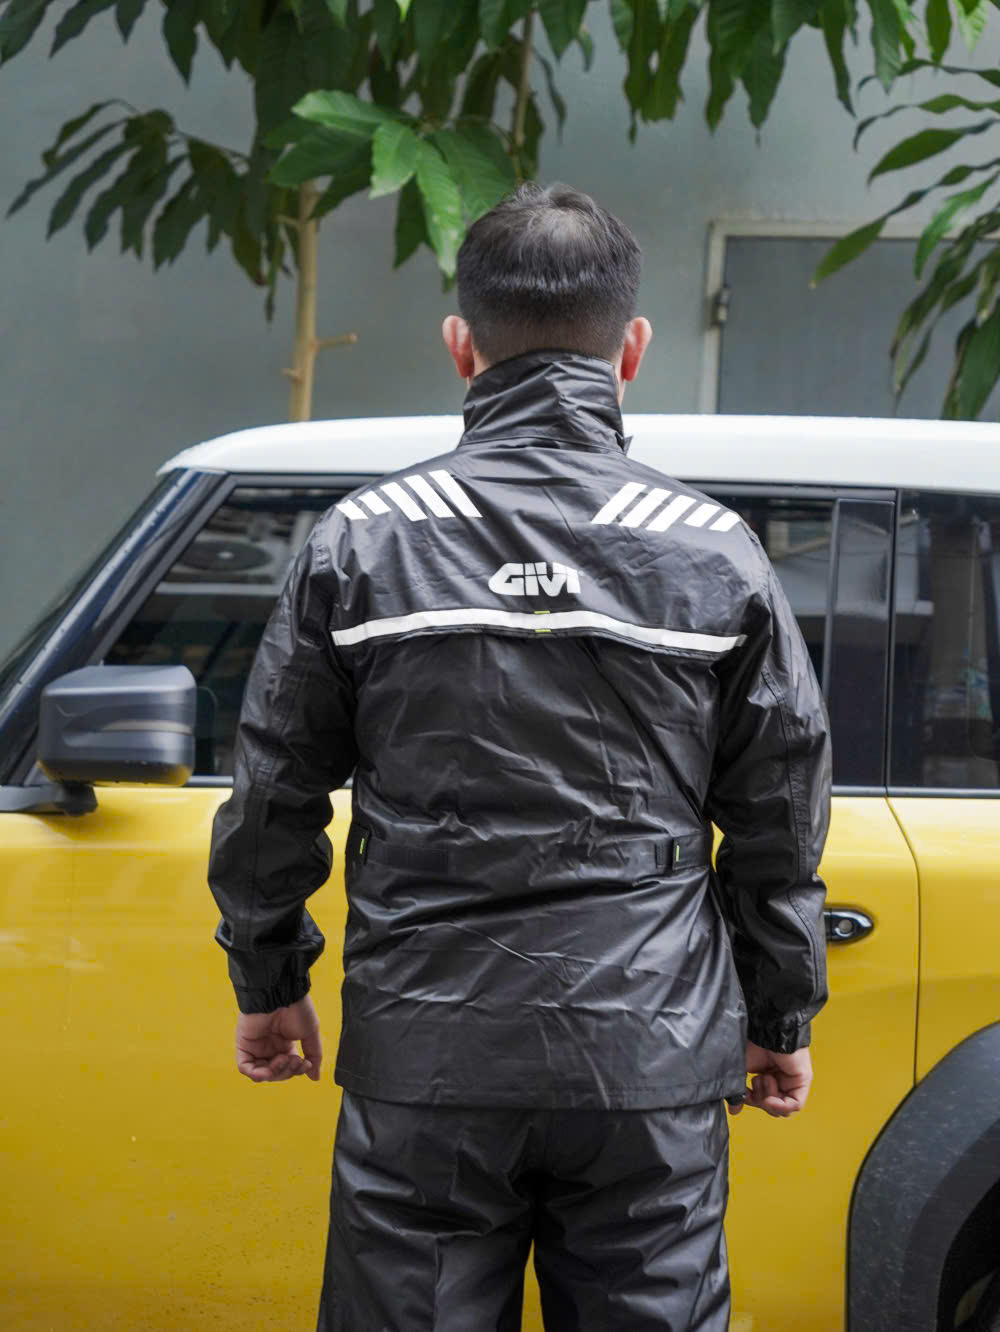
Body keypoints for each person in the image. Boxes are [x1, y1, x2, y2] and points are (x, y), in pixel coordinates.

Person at [208, 182, 831, 1332]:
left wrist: (269, 983)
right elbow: (779, 817)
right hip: (648, 1058)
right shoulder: (716, 556)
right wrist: (778, 1011)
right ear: (631, 351)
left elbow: (273, 794)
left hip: (425, 1057)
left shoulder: (363, 542)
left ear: (462, 346)